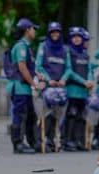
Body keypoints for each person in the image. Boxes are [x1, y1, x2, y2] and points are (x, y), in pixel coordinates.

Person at [5, 18, 44, 154]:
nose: (35, 32)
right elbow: (22, 68)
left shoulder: (27, 47)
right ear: (27, 30)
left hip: (25, 88)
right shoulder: (21, 46)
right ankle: (18, 144)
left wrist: (37, 74)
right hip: (19, 87)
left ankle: (33, 143)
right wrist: (34, 84)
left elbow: (28, 67)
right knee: (19, 115)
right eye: (33, 29)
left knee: (30, 116)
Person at [34, 21, 70, 153]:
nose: (55, 34)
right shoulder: (43, 46)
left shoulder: (65, 49)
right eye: (53, 32)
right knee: (44, 114)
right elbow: (38, 66)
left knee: (57, 114)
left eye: (57, 32)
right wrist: (49, 80)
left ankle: (51, 140)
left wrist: (63, 79)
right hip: (47, 86)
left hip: (60, 87)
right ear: (49, 33)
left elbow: (69, 68)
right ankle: (40, 141)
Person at [62, 26, 95, 151]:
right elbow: (69, 71)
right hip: (72, 90)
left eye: (79, 37)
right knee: (71, 114)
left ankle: (79, 141)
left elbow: (89, 70)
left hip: (83, 92)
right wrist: (84, 82)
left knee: (81, 116)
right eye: (74, 37)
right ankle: (68, 141)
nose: (76, 39)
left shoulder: (85, 54)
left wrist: (90, 80)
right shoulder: (68, 52)